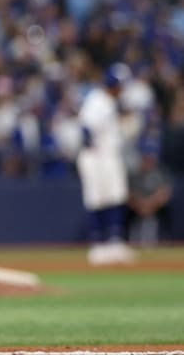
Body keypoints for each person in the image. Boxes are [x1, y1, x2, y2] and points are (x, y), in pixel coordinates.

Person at [76, 63, 138, 266]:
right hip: (96, 156)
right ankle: (98, 247)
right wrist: (96, 151)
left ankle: (114, 244)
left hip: (109, 155)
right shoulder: (97, 100)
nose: (122, 88)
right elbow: (85, 129)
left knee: (115, 197)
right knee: (97, 198)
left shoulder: (111, 101)